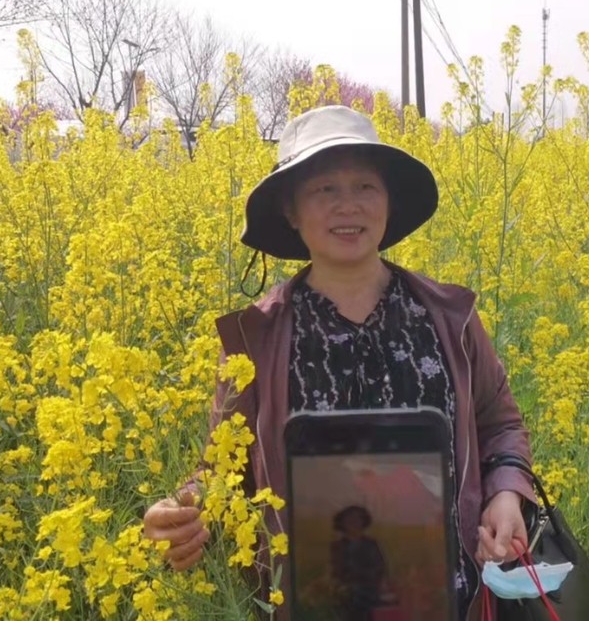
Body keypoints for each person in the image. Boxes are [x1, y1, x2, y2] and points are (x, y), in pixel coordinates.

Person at [143, 104, 536, 621]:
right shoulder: (255, 337)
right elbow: (222, 470)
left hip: (445, 596)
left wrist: (507, 494)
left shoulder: (450, 316)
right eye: (324, 189)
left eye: (365, 188)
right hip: (312, 601)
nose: (347, 206)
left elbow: (499, 424)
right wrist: (183, 512)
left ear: (389, 204)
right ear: (291, 211)